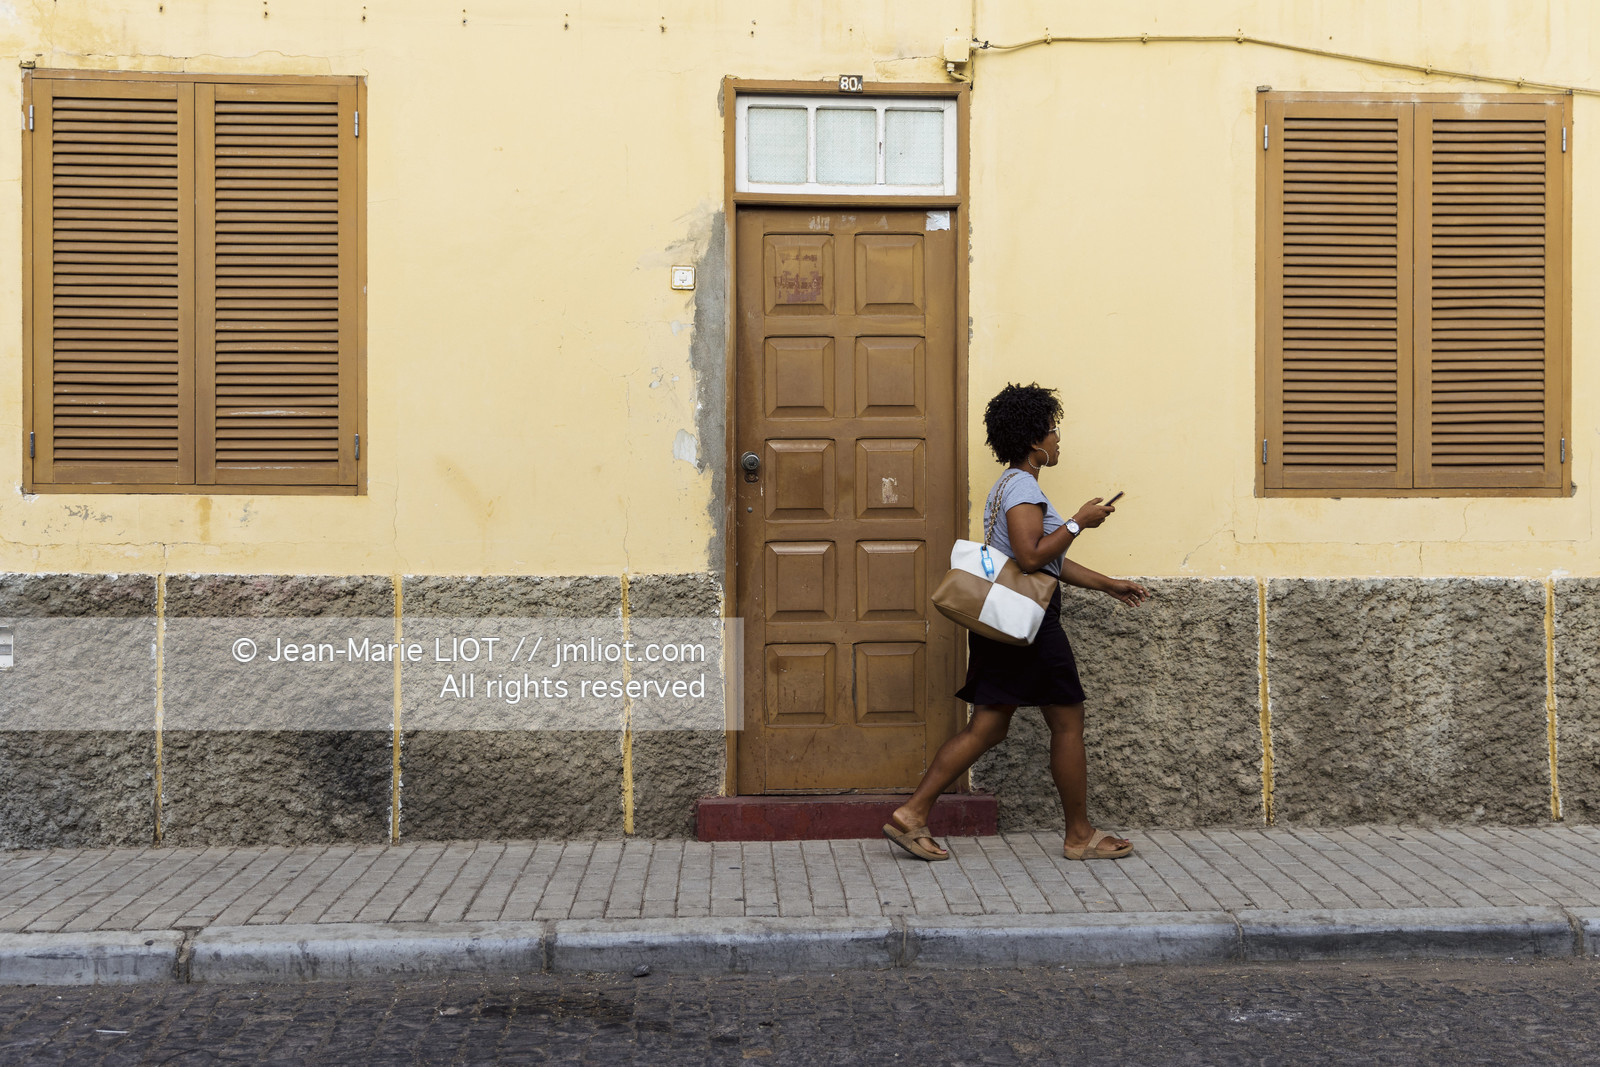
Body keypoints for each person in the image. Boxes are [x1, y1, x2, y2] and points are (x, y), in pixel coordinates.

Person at [883, 382, 1150, 862]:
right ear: (1034, 441)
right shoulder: (1023, 487)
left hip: (1004, 623)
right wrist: (1078, 522)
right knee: (1067, 723)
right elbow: (1030, 558)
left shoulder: (1009, 485)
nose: (1057, 439)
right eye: (1052, 430)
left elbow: (1050, 563)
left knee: (988, 727)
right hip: (1031, 628)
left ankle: (912, 813)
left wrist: (1108, 583)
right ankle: (1079, 835)